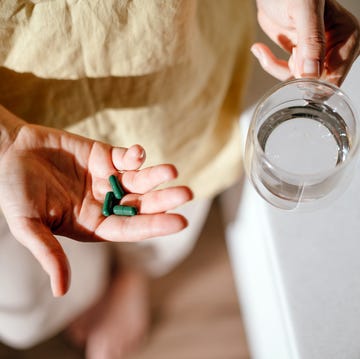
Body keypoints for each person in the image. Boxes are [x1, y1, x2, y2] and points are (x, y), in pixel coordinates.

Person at [0, 1, 358, 358]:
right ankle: (91, 289)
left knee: (168, 202)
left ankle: (133, 272)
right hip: (18, 120)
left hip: (175, 72)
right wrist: (6, 142)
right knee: (28, 302)